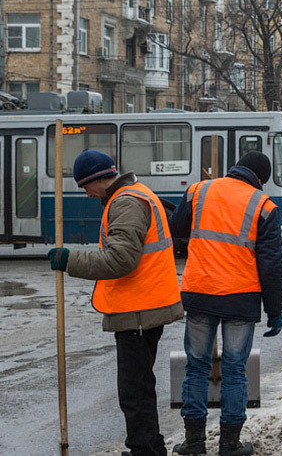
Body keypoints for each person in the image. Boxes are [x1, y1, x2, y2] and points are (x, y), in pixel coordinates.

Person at [47, 150, 183, 456]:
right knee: (139, 387)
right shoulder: (135, 194)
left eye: (86, 186)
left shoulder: (125, 202)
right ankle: (149, 446)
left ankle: (145, 450)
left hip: (139, 309)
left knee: (134, 392)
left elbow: (121, 260)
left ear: (97, 179)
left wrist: (70, 260)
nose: (87, 193)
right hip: (145, 305)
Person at [169, 151, 282, 456]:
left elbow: (176, 228)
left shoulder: (199, 190)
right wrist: (275, 310)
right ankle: (230, 444)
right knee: (235, 370)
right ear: (260, 179)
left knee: (196, 367)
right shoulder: (264, 205)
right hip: (240, 298)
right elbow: (271, 264)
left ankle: (194, 442)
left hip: (200, 292)